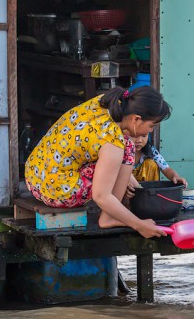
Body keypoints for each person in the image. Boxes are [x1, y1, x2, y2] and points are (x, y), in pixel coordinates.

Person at [24, 86, 171, 239]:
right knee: (127, 146)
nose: (151, 131)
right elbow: (101, 196)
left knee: (123, 145)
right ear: (136, 119)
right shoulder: (113, 141)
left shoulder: (105, 103)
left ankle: (114, 211)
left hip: (35, 176)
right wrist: (139, 225)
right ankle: (109, 217)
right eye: (151, 125)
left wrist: (126, 177)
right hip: (57, 191)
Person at [123, 131, 188, 203]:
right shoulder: (120, 151)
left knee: (151, 164)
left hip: (143, 190)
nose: (139, 140)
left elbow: (166, 169)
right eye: (134, 136)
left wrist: (175, 176)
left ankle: (148, 199)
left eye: (144, 135)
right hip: (124, 187)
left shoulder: (151, 151)